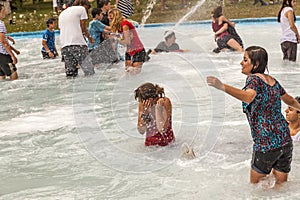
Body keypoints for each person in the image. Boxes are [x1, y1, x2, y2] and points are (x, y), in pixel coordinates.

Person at [207, 46, 300, 186]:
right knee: (281, 188)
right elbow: (291, 101)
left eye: (245, 60)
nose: (241, 63)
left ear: (255, 64)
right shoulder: (273, 81)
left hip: (266, 143)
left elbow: (248, 97)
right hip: (285, 141)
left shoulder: (253, 79)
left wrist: (222, 86)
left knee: (255, 189)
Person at [58, 0, 95, 77]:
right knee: (90, 72)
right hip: (78, 44)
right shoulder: (81, 9)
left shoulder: (62, 13)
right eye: (87, 8)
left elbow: (60, 30)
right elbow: (83, 27)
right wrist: (90, 37)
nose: (87, 11)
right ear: (81, 4)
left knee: (71, 75)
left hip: (65, 46)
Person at [108, 8, 145, 73]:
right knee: (128, 73)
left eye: (111, 17)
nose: (108, 18)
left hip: (138, 50)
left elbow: (127, 42)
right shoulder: (119, 26)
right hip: (129, 51)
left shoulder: (124, 24)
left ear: (116, 17)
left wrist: (117, 39)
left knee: (134, 74)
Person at [0, 4, 18, 80]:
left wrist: (6, 36)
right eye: (3, 11)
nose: (5, 12)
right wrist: (12, 55)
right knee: (13, 74)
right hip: (3, 54)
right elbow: (3, 42)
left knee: (2, 76)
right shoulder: (0, 24)